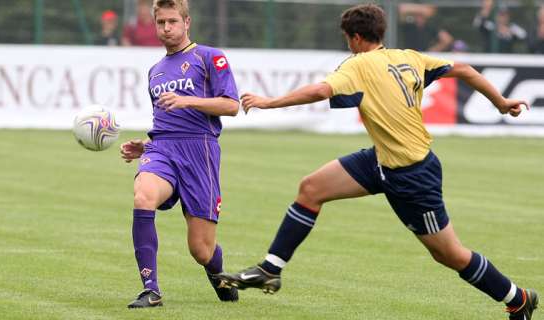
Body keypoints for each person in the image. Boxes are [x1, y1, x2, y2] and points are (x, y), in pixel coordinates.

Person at [218, 4, 539, 320]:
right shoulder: (410, 57)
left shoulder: (358, 65)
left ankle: (518, 298)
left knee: (449, 254)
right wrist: (501, 103)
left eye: (347, 38)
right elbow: (465, 70)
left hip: (412, 174)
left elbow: (320, 90)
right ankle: (270, 269)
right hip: (380, 159)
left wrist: (269, 102)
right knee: (312, 187)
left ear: (356, 38)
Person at [120, 0, 240, 308]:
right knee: (143, 196)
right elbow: (166, 122)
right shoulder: (155, 71)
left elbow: (231, 106)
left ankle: (219, 274)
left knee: (200, 250)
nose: (166, 28)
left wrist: (189, 101)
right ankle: (151, 290)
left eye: (172, 21)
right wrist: (144, 146)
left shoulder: (210, 57)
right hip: (161, 150)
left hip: (200, 152)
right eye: (161, 23)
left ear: (187, 22)